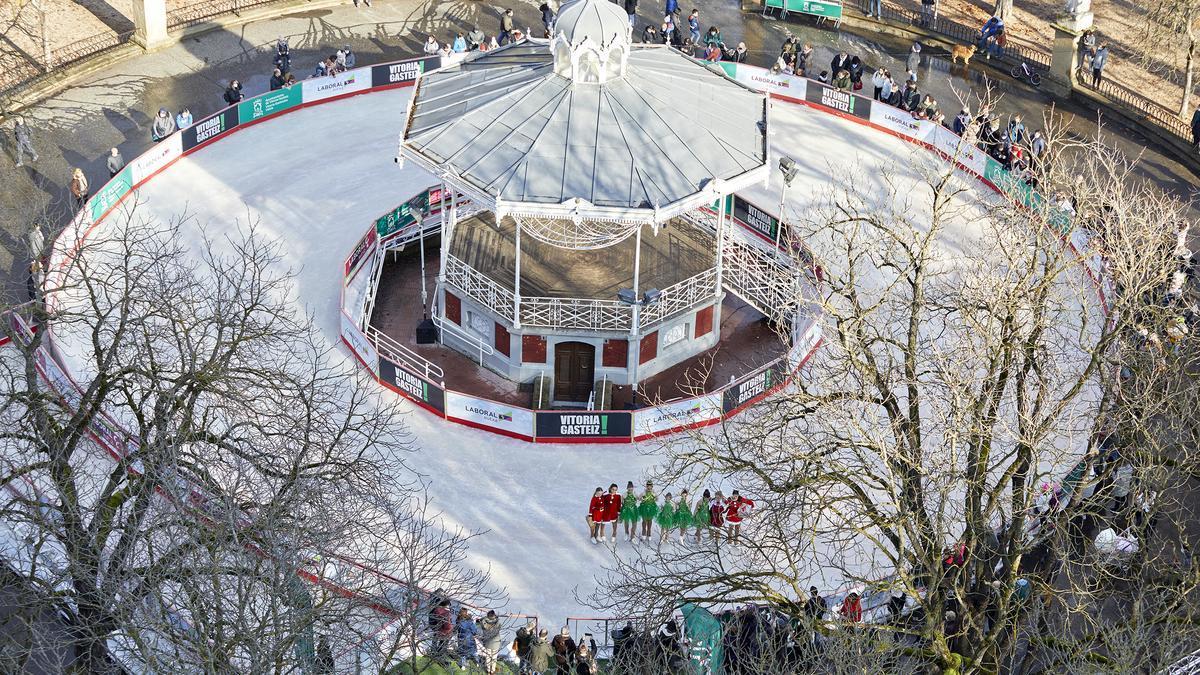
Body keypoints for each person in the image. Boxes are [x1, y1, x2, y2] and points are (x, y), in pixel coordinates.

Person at [478, 610, 503, 675]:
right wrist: (496, 618)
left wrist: (485, 618)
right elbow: (500, 626)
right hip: (496, 643)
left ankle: (488, 670)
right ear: (494, 615)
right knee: (494, 657)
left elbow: (481, 620)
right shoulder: (497, 623)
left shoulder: (484, 623)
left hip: (487, 642)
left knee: (488, 657)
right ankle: (492, 670)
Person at [430, 598, 453, 663]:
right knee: (442, 645)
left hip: (438, 629)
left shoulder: (436, 610)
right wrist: (451, 627)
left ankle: (433, 653)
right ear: (446, 605)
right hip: (445, 631)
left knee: (435, 642)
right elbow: (448, 626)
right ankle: (439, 658)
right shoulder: (446, 613)